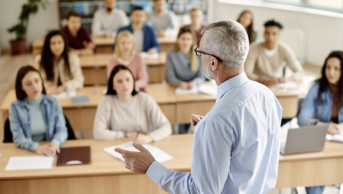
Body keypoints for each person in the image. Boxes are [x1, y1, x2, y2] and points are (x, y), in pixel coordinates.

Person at [115, 20, 282, 194]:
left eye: (200, 52)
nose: (199, 56)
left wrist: (150, 167)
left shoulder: (220, 119)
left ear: (213, 63)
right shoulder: (266, 94)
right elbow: (249, 150)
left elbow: (200, 191)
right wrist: (212, 131)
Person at [298, 51, 343, 194]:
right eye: (328, 67)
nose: (331, 72)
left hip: (339, 141)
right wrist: (324, 126)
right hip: (320, 141)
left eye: (336, 68)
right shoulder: (316, 87)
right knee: (315, 180)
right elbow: (302, 118)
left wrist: (338, 127)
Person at [93, 65, 171, 143]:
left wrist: (149, 137)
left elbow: (166, 126)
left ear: (133, 81)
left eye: (128, 80)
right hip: (116, 145)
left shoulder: (145, 99)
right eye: (119, 81)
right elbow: (98, 133)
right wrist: (126, 134)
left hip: (142, 145)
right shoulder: (106, 101)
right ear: (112, 85)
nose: (125, 84)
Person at [9, 66, 68, 155]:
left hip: (49, 149)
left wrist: (55, 143)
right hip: (28, 150)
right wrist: (36, 147)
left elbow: (62, 130)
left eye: (37, 81)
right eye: (29, 84)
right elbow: (18, 138)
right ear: (21, 87)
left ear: (41, 81)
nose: (35, 86)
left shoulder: (53, 102)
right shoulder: (15, 107)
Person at [244, 20, 304, 86]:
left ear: (279, 35)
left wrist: (288, 79)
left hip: (277, 84)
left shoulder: (284, 49)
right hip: (258, 84)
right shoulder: (253, 48)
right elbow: (246, 72)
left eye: (274, 34)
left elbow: (300, 72)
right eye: (267, 33)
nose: (270, 37)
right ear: (263, 34)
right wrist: (263, 80)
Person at [32, 30, 84, 95]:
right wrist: (46, 89)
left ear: (64, 43)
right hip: (47, 93)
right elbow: (36, 80)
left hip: (67, 93)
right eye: (53, 43)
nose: (57, 47)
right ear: (48, 45)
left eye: (60, 42)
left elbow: (79, 80)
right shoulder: (39, 60)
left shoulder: (72, 58)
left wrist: (64, 87)